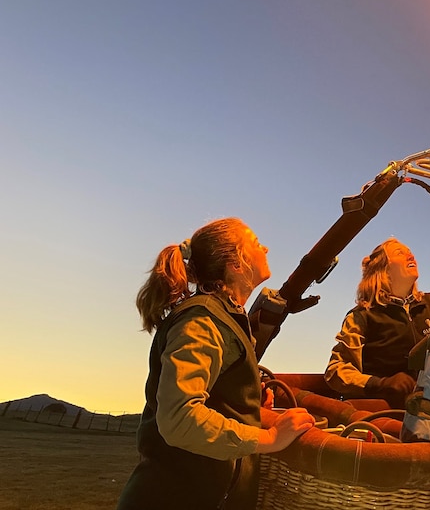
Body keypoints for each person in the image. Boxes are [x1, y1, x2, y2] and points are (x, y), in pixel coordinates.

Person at [116, 217, 315, 510]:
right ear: (237, 263)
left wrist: (246, 407)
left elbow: (213, 400)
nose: (267, 248)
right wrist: (270, 436)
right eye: (257, 244)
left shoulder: (223, 316)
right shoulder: (203, 319)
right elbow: (180, 419)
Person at [324, 216, 430, 407]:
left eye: (411, 252)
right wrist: (381, 384)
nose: (411, 256)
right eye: (400, 252)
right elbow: (336, 370)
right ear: (382, 268)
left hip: (428, 416)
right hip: (380, 417)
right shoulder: (362, 316)